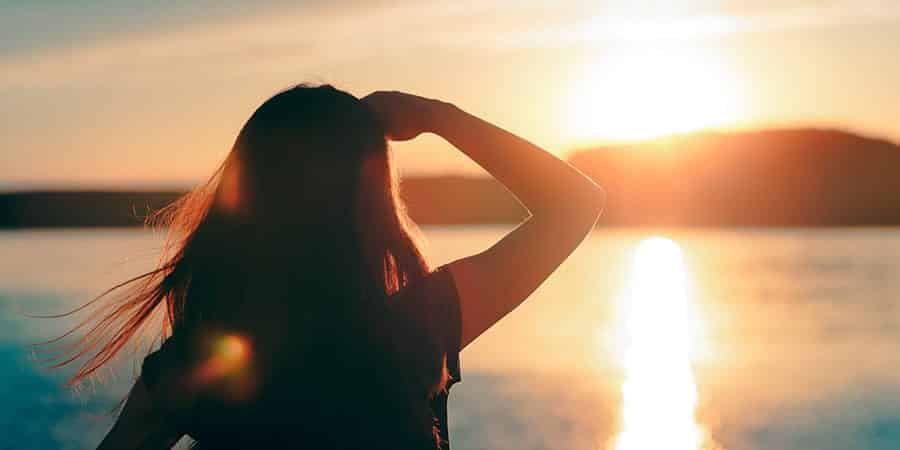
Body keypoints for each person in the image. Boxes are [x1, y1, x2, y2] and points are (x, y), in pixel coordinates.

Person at [60, 85, 604, 449]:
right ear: (370, 206)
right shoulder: (414, 330)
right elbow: (575, 204)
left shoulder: (191, 369)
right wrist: (438, 117)